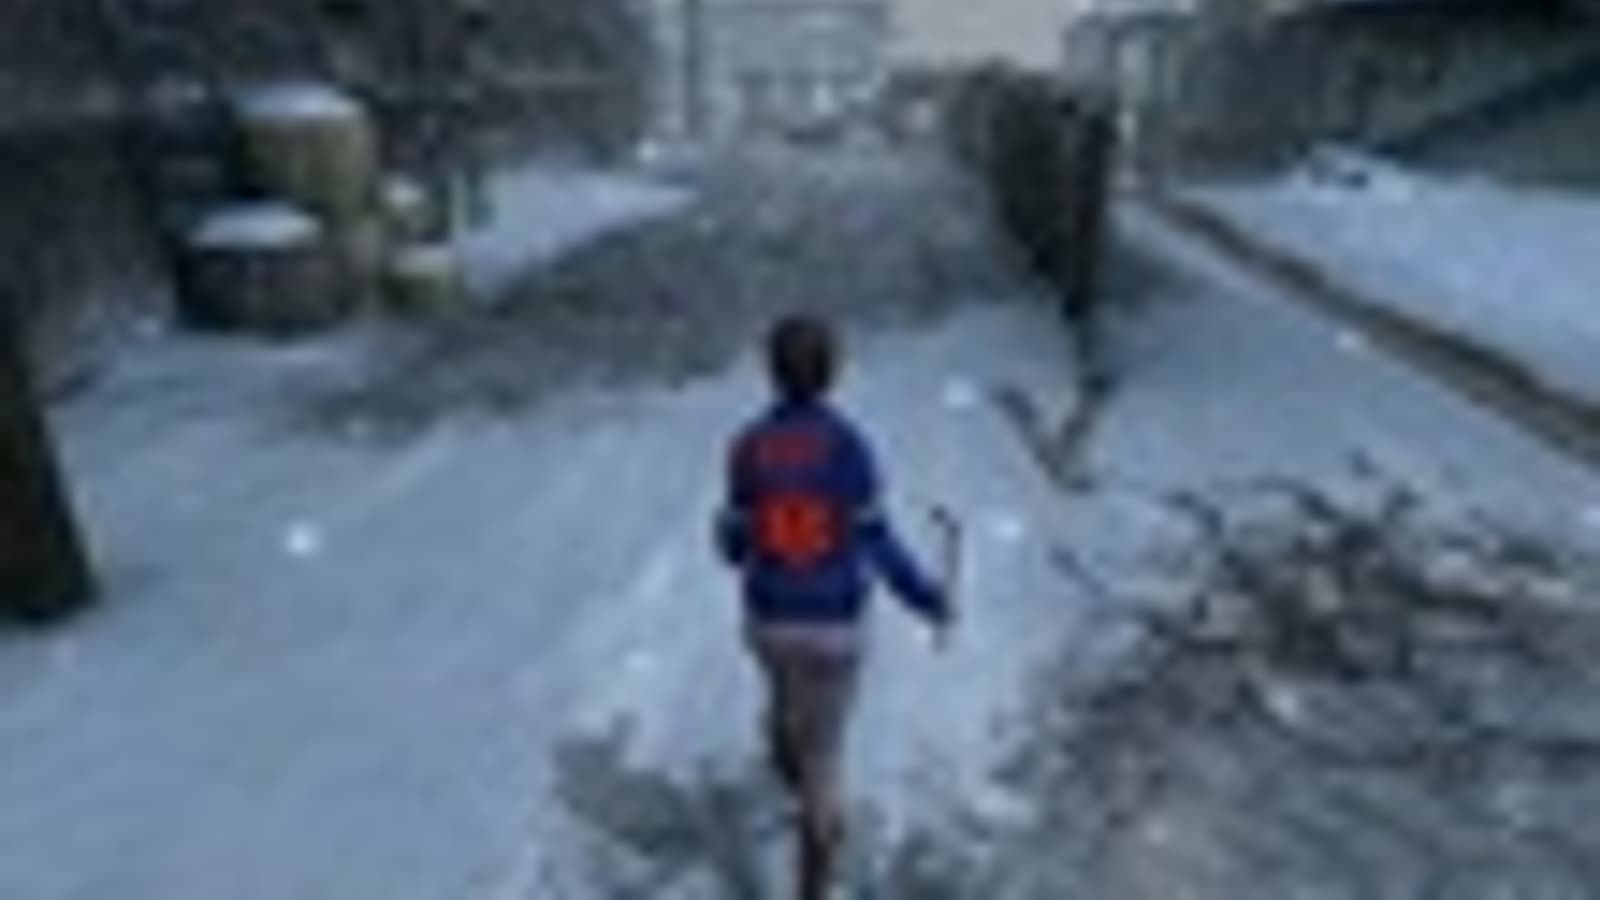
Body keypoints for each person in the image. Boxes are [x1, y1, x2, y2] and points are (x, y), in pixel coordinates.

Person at [715, 314, 953, 900]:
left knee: (782, 700)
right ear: (833, 374)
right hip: (833, 630)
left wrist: (738, 535)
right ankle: (814, 874)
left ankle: (786, 761)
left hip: (770, 621)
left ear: (771, 372)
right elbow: (878, 544)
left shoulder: (748, 448)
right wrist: (928, 598)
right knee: (825, 754)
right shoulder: (850, 449)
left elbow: (734, 545)